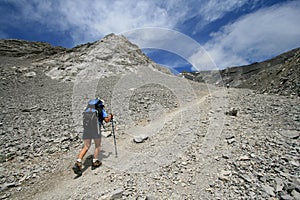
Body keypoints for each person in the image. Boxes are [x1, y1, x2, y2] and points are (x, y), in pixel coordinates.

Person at [72, 98, 113, 175]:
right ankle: (95, 162)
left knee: (86, 146)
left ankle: (78, 161)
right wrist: (110, 116)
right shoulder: (100, 109)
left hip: (86, 129)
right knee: (97, 146)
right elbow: (106, 120)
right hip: (95, 130)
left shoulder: (88, 109)